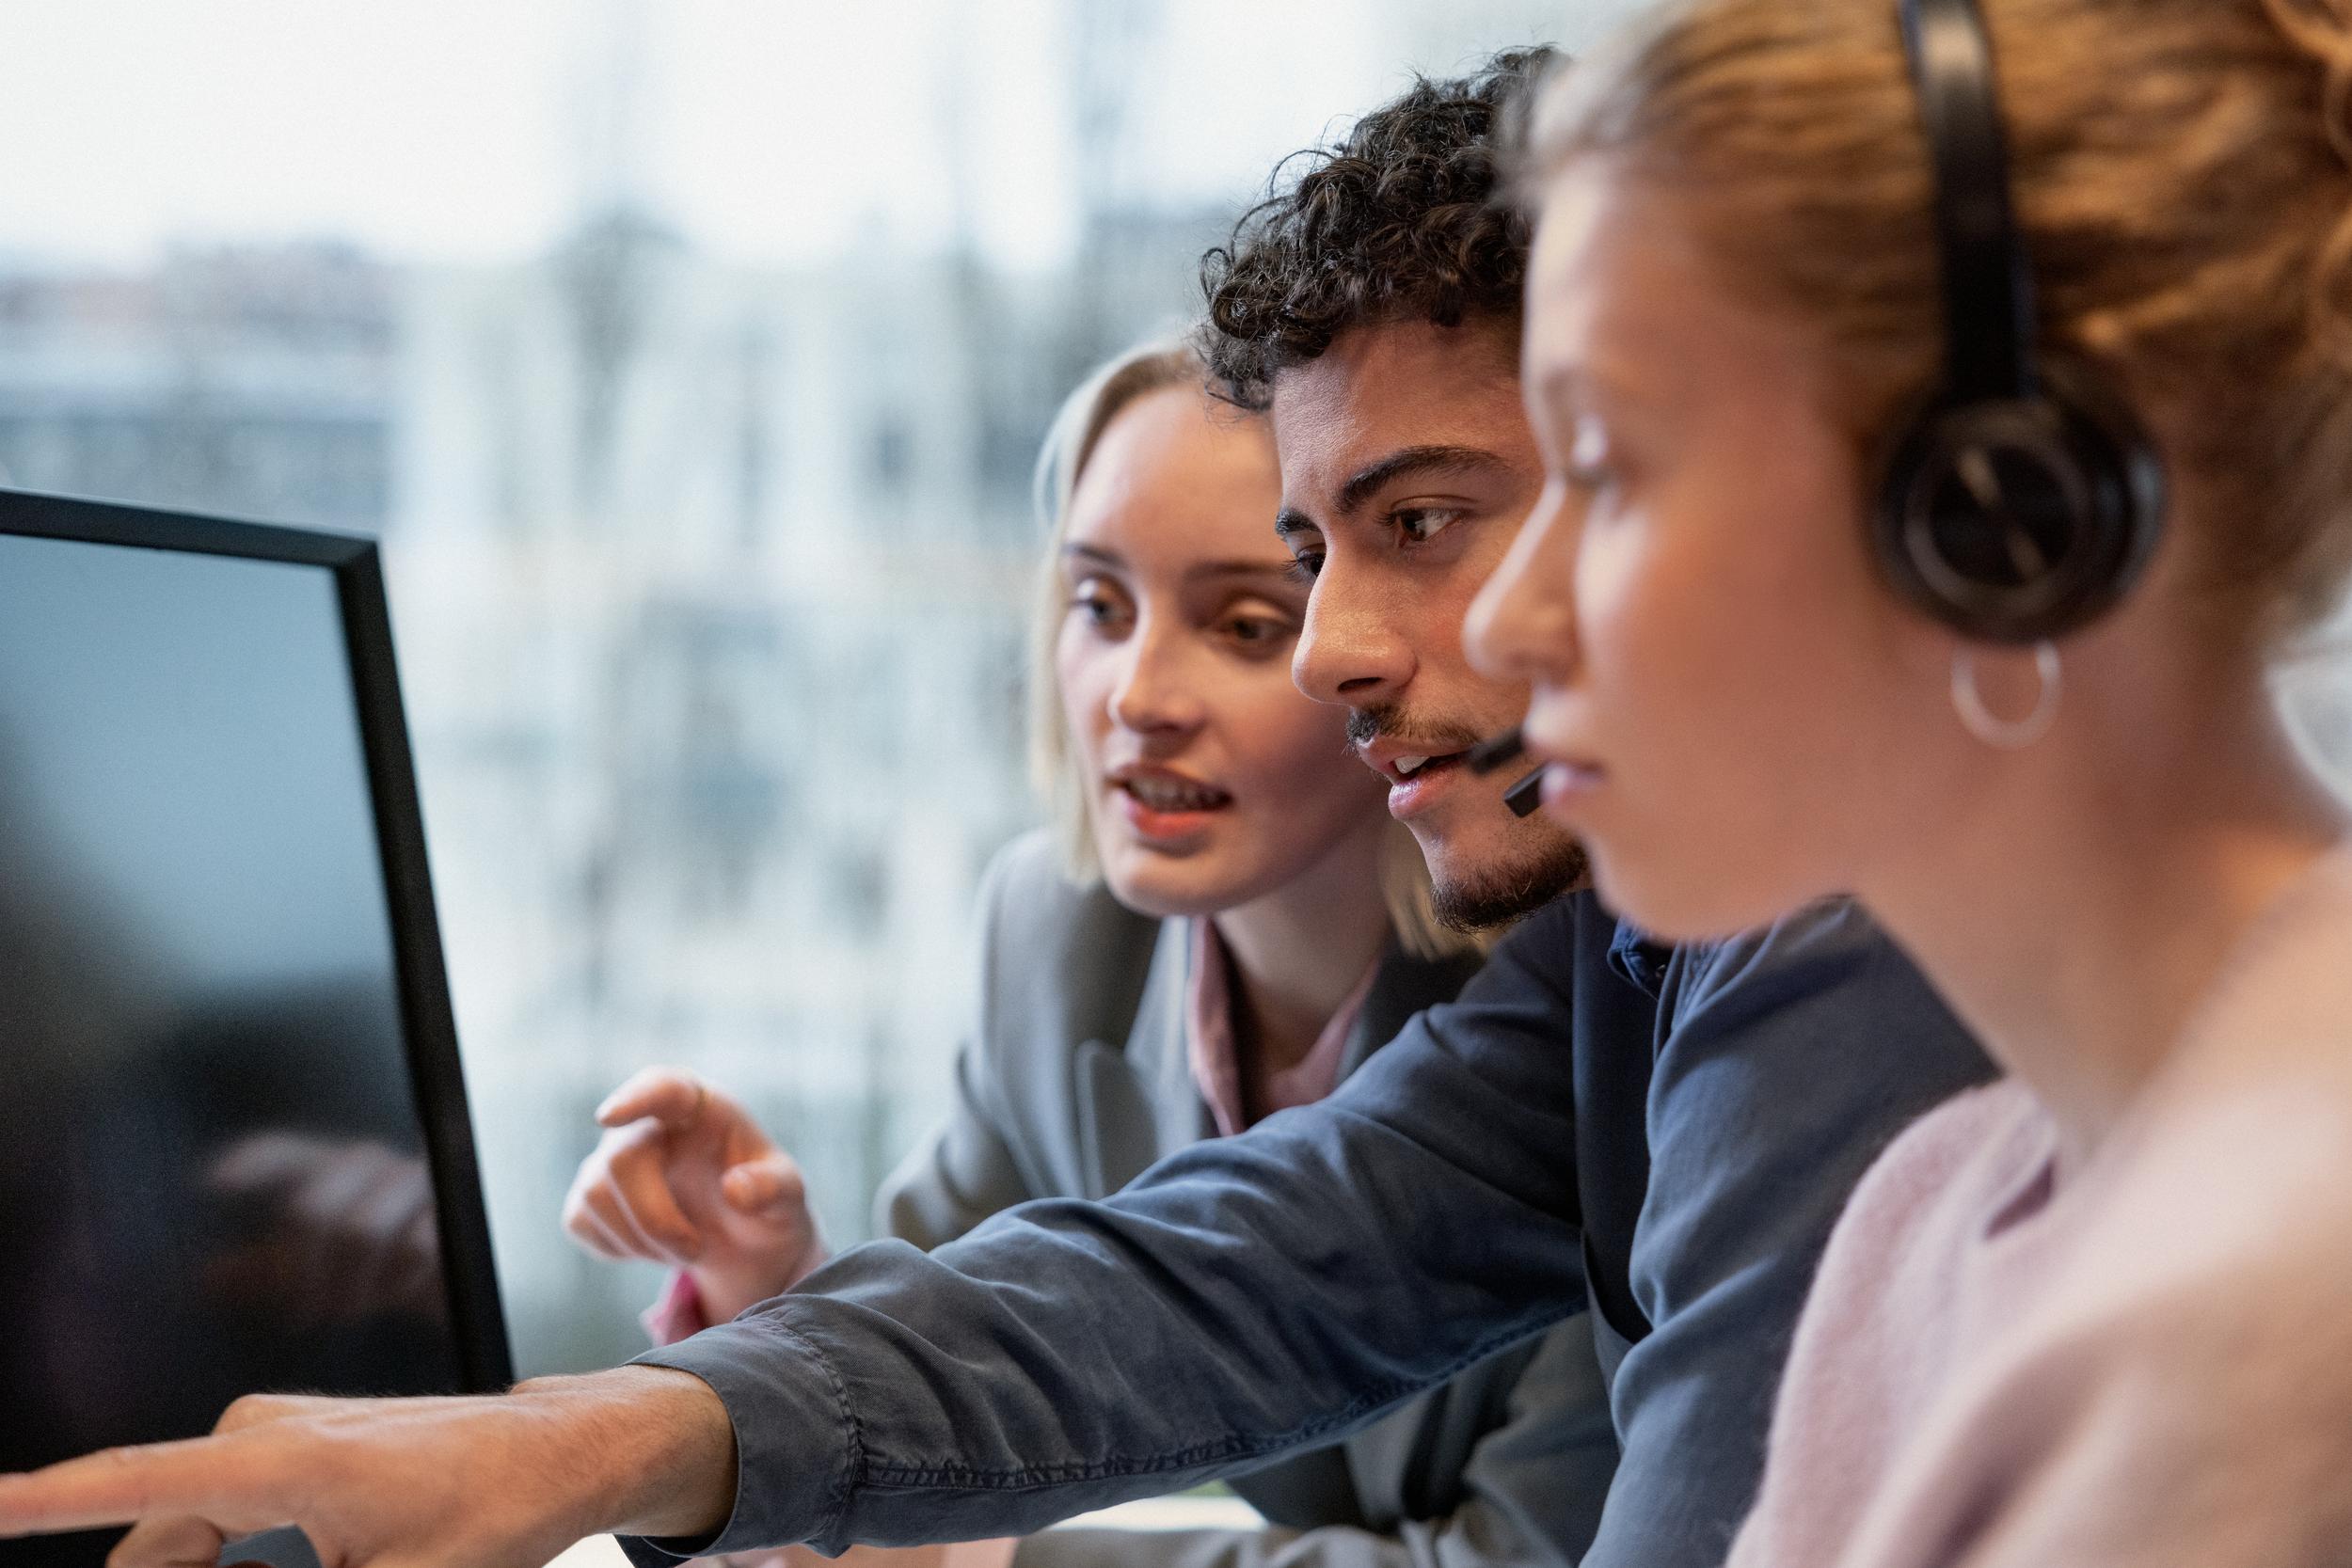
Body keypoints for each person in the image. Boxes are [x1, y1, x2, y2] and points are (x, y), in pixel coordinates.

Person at [0, 48, 1994, 1568]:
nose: (1324, 654)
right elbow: (1226, 1270)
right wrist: (581, 1434)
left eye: (1412, 528)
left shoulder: (1855, 963)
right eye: (1314, 549)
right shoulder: (1649, 944)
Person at [1464, 0, 2352, 1562]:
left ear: (2000, 510)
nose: (1499, 620)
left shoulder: (2292, 1295)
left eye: (1602, 469)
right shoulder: (1929, 1216)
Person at [561, 338, 1617, 1568]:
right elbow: (968, 1367)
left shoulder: (1589, 993)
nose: (1135, 695)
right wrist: (774, 1274)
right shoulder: (1057, 933)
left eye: (1243, 622)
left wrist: (981, 1557)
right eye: (1099, 607)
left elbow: (1531, 1555)